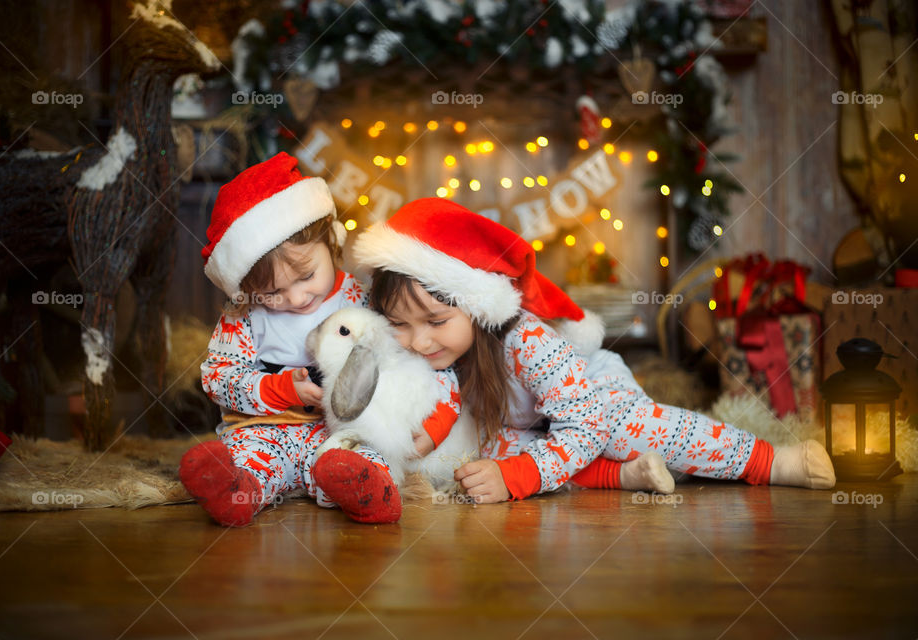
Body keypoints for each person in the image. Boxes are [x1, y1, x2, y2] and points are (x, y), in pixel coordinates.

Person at [350, 197, 836, 504]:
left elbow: (583, 424)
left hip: (591, 395)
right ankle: (623, 479)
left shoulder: (528, 342)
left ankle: (769, 461)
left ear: (479, 307)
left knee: (624, 429)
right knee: (487, 457)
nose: (418, 341)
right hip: (528, 421)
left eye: (435, 322)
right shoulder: (427, 350)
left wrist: (518, 478)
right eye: (399, 324)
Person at [178, 154, 460, 526]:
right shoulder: (243, 314)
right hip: (267, 428)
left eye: (307, 275)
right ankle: (237, 489)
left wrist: (436, 421)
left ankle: (365, 490)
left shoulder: (363, 299)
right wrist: (279, 389)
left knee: (361, 456)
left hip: (343, 431)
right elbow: (219, 379)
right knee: (252, 457)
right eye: (271, 291)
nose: (295, 298)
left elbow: (421, 359)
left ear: (332, 241)